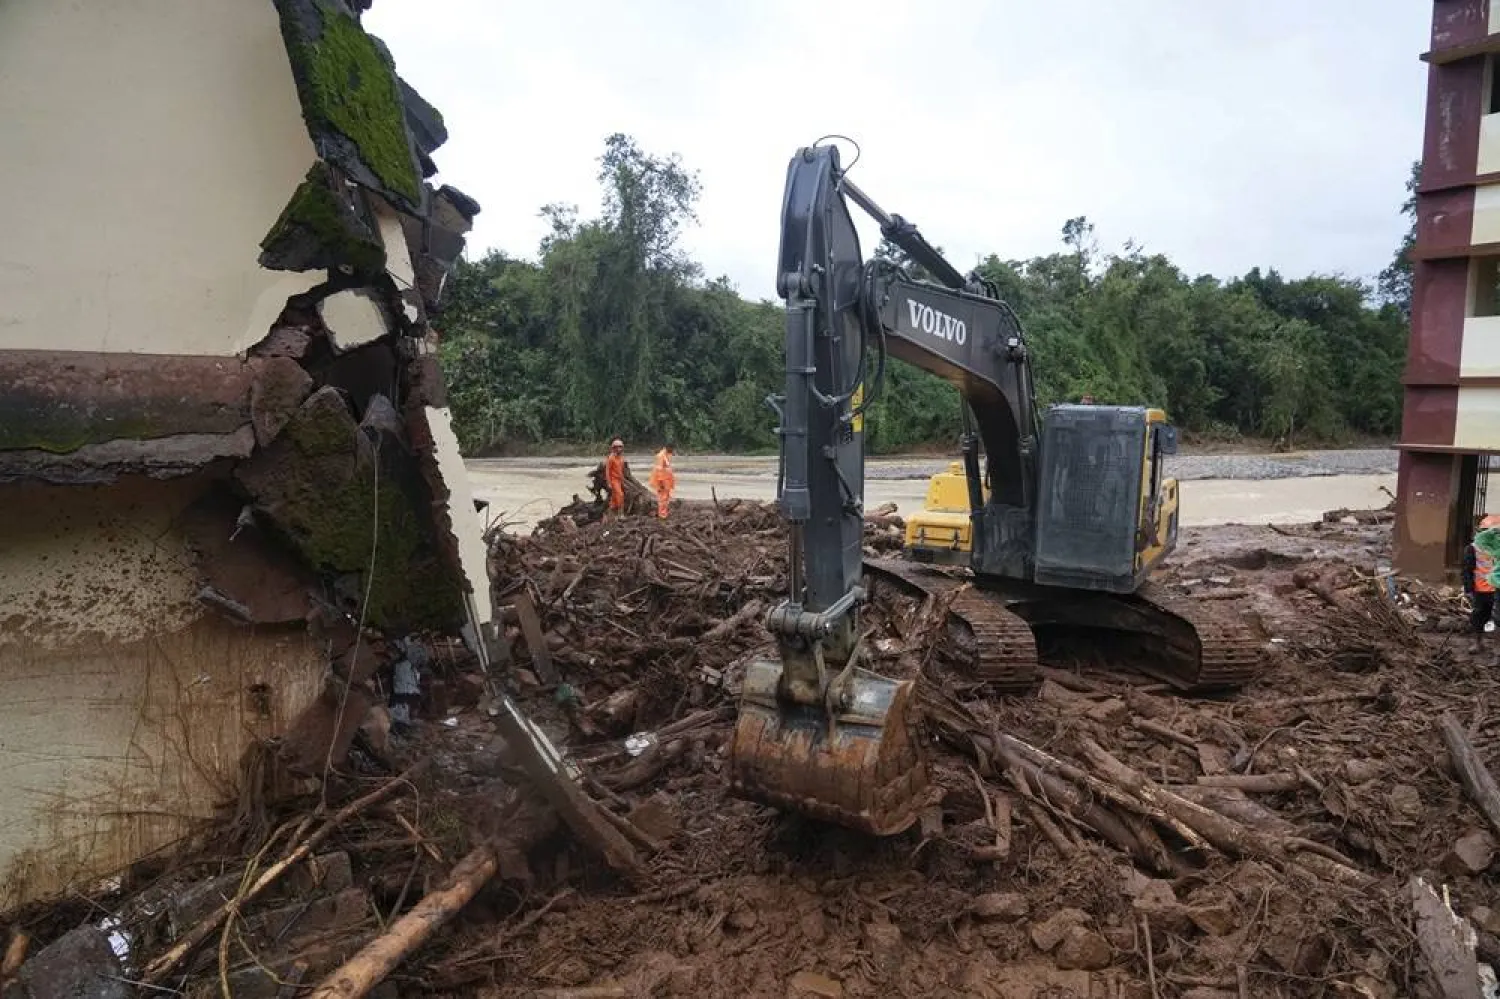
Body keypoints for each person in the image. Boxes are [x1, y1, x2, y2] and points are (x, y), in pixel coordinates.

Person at [1463, 514, 1500, 650]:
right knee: (1479, 616)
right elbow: (1467, 571)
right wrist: (1468, 590)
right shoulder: (1472, 549)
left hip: (1496, 590)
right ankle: (1477, 642)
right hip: (1481, 590)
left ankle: (1497, 651)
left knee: (1498, 620)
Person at [649, 443, 676, 518]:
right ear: (668, 448)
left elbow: (666, 468)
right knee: (662, 498)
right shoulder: (661, 456)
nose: (673, 451)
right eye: (672, 449)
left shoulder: (667, 455)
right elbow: (659, 470)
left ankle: (664, 513)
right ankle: (662, 515)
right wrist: (661, 482)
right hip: (662, 481)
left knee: (666, 498)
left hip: (666, 480)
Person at [604, 438, 626, 516]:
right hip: (613, 480)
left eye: (620, 447)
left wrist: (623, 481)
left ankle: (610, 514)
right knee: (620, 495)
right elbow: (607, 471)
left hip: (619, 480)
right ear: (614, 448)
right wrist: (609, 483)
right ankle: (621, 514)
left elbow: (621, 470)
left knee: (614, 498)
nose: (619, 449)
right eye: (617, 447)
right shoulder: (611, 458)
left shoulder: (621, 458)